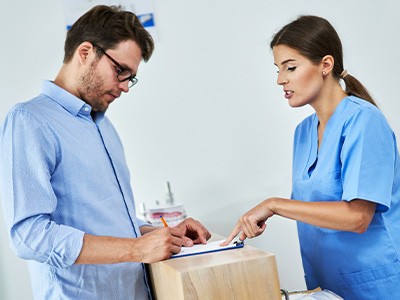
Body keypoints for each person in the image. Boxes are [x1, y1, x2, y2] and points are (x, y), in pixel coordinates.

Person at [0, 5, 210, 300]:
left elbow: (109, 223)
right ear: (85, 52)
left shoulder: (104, 126)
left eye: (131, 77)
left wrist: (159, 234)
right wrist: (136, 249)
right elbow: (29, 236)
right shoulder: (30, 121)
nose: (125, 86)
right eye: (120, 71)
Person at [223, 15, 400, 299]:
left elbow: (357, 217)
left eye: (290, 67)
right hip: (327, 285)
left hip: (375, 285)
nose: (281, 80)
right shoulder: (303, 133)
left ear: (325, 65)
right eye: (278, 69)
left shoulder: (364, 122)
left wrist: (274, 205)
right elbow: (312, 210)